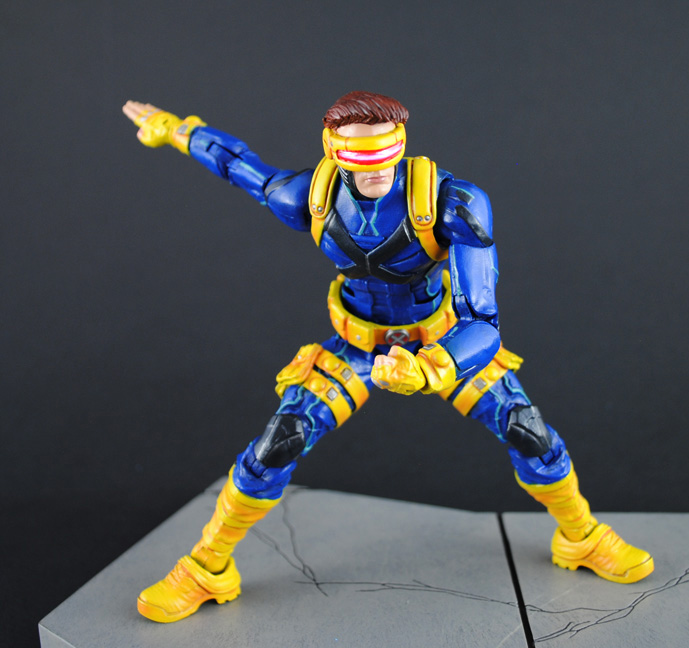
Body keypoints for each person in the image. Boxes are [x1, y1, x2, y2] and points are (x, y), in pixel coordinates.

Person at [122, 91, 653, 624]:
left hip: (439, 343)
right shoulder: (311, 198)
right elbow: (239, 166)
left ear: (401, 145)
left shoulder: (452, 204)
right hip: (358, 346)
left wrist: (430, 366)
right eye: (361, 157)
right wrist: (177, 130)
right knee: (277, 443)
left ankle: (581, 536)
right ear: (334, 152)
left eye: (385, 153)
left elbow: (482, 323)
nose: (376, 170)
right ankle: (207, 566)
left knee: (527, 430)